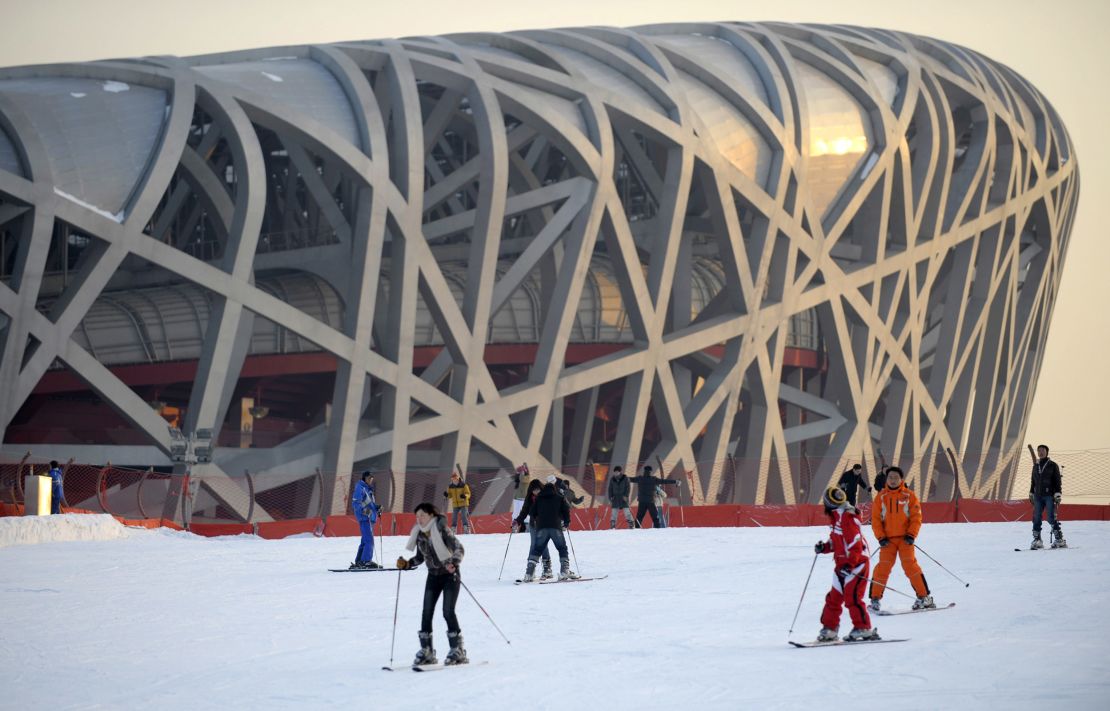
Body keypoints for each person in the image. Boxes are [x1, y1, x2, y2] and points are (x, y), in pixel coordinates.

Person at [396, 502, 467, 666]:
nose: (419, 519)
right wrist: (407, 564)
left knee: (448, 611)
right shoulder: (420, 534)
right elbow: (420, 558)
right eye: (417, 516)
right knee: (426, 612)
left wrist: (453, 563)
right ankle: (427, 650)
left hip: (450, 575)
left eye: (422, 515)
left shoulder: (442, 530)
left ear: (431, 516)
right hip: (433, 575)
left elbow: (459, 548)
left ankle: (457, 649)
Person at [814, 485, 877, 642]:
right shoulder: (836, 517)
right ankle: (829, 629)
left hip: (857, 564)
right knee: (833, 598)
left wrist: (850, 565)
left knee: (853, 598)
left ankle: (863, 628)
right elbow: (837, 541)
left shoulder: (847, 518)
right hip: (842, 565)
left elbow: (855, 544)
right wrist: (825, 547)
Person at [869, 466, 934, 611]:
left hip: (905, 539)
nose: (892, 480)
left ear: (901, 479)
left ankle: (925, 598)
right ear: (887, 479)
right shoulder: (881, 497)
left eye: (895, 477)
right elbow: (876, 520)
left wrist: (911, 534)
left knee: (910, 566)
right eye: (890, 477)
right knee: (882, 568)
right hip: (888, 541)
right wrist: (881, 537)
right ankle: (874, 600)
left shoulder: (909, 496)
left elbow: (916, 517)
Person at [517, 478, 579, 582]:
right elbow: (566, 510)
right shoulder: (559, 497)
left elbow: (532, 512)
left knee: (537, 549)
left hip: (541, 527)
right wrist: (566, 521)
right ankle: (564, 571)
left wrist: (539, 517)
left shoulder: (539, 499)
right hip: (555, 527)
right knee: (562, 548)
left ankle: (529, 573)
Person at [514, 478, 554, 579]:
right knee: (534, 545)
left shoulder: (547, 496)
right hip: (533, 525)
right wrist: (518, 520)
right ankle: (530, 570)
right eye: (533, 490)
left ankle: (547, 569)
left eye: (537, 489)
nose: (536, 492)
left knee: (542, 545)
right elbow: (524, 511)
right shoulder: (530, 498)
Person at [1029, 444, 1066, 549]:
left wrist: (1058, 493)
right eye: (1039, 450)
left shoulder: (1053, 465)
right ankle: (1037, 540)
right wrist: (1031, 492)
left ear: (1047, 452)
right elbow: (1033, 481)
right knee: (1036, 518)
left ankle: (1059, 539)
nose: (1040, 452)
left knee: (1051, 517)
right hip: (1038, 496)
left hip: (1049, 495)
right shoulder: (1035, 465)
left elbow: (1057, 481)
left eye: (1042, 450)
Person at [350, 471, 381, 569]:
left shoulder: (367, 489)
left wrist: (377, 508)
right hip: (365, 518)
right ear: (364, 478)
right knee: (369, 540)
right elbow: (356, 504)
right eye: (368, 478)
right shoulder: (360, 488)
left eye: (371, 478)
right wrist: (365, 512)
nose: (370, 480)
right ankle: (366, 561)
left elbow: (368, 504)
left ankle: (359, 561)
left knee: (365, 540)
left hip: (368, 518)